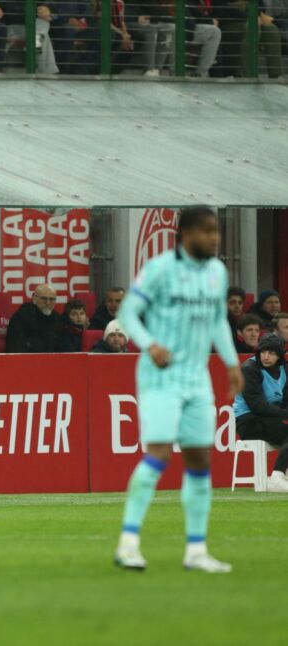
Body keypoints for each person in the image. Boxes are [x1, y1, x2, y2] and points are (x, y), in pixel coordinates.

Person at [114, 206, 242, 573]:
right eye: (206, 231)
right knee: (158, 454)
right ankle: (128, 542)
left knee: (201, 458)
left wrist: (231, 363)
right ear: (184, 234)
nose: (214, 238)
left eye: (216, 231)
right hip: (161, 377)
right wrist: (149, 343)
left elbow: (217, 319)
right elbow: (127, 313)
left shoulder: (217, 272)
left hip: (197, 378)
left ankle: (197, 550)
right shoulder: (160, 269)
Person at [232, 333, 288, 492]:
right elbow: (258, 406)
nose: (266, 356)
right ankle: (277, 477)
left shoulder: (285, 369)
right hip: (248, 421)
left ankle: (283, 475)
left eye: (271, 353)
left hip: (269, 419)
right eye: (263, 352)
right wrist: (285, 415)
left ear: (279, 355)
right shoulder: (249, 369)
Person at [5, 285, 61, 353]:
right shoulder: (21, 317)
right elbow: (16, 346)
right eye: (44, 299)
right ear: (34, 299)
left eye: (52, 299)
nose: (48, 303)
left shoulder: (57, 318)